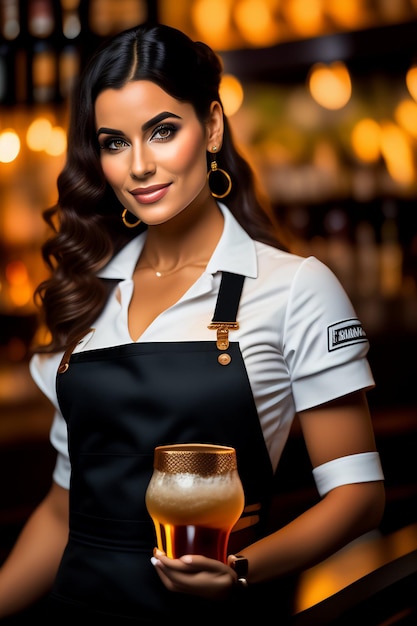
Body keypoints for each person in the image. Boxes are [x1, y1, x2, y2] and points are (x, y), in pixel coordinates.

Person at [0, 22, 385, 625]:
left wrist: (240, 572)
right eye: (114, 142)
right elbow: (61, 510)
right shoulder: (86, 293)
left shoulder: (293, 288)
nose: (140, 166)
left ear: (210, 126)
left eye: (162, 131)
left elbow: (358, 496)